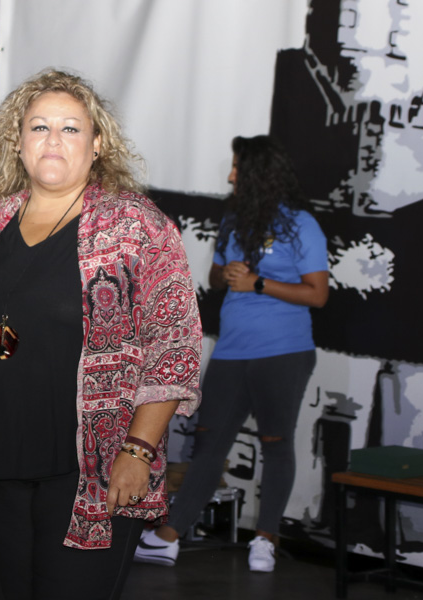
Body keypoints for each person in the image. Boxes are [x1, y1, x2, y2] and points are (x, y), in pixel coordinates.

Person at [0, 69, 202, 600]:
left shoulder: (138, 225)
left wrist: (138, 449)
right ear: (18, 143)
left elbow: (173, 346)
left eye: (70, 128)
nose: (53, 140)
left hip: (94, 466)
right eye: (39, 128)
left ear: (98, 143)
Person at [134, 135, 329, 573]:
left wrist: (259, 283)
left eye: (238, 168)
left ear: (259, 173)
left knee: (276, 445)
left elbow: (318, 294)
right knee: (208, 445)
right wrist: (229, 273)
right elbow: (217, 276)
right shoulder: (235, 219)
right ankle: (169, 537)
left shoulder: (302, 225)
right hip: (231, 352)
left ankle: (266, 539)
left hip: (283, 352)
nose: (230, 175)